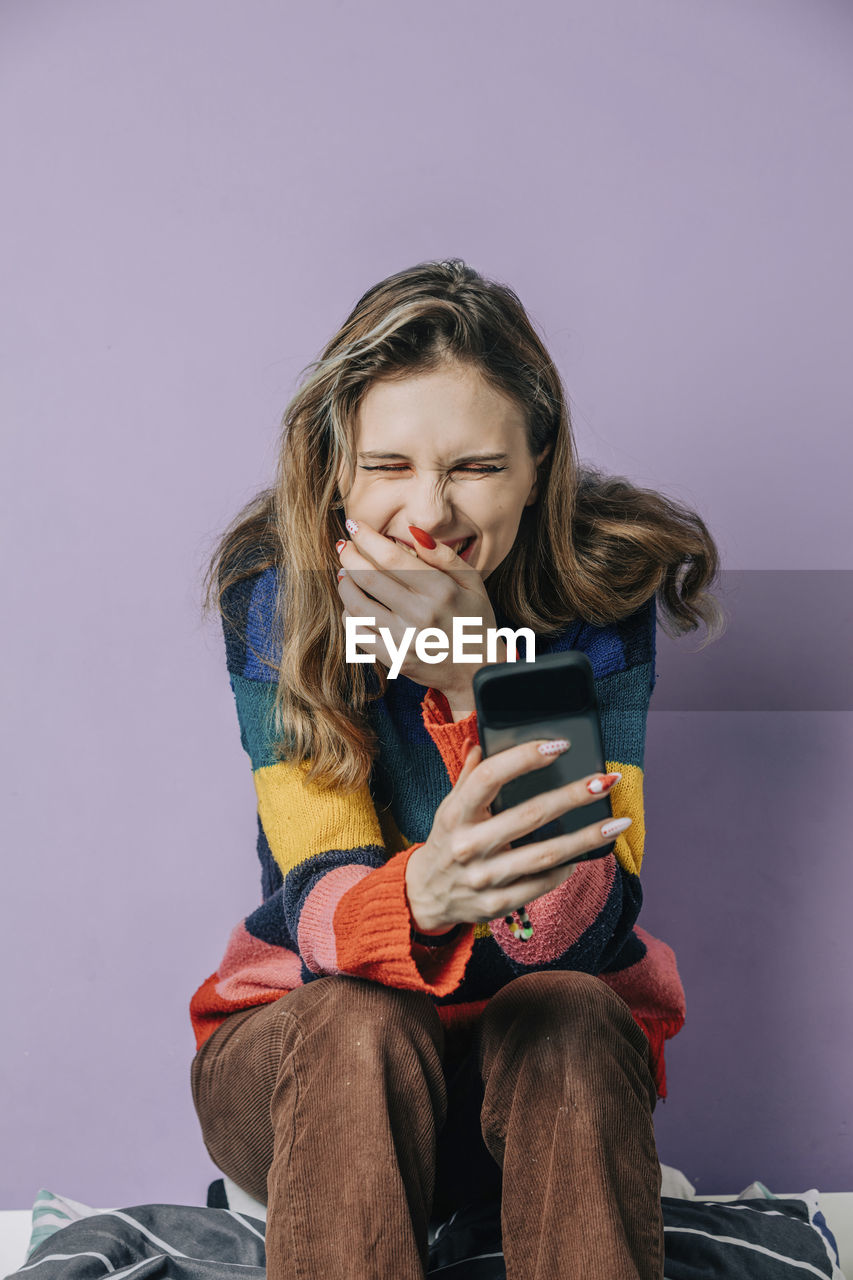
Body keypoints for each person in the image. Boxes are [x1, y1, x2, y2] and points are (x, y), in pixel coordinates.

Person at [188, 259, 724, 1280]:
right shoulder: (277, 588)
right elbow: (318, 901)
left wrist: (482, 683)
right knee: (360, 1011)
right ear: (338, 468)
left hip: (521, 1081)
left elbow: (586, 919)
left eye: (474, 466)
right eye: (388, 464)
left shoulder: (598, 596)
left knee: (570, 1004)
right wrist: (420, 898)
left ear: (537, 467)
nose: (426, 514)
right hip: (307, 1063)